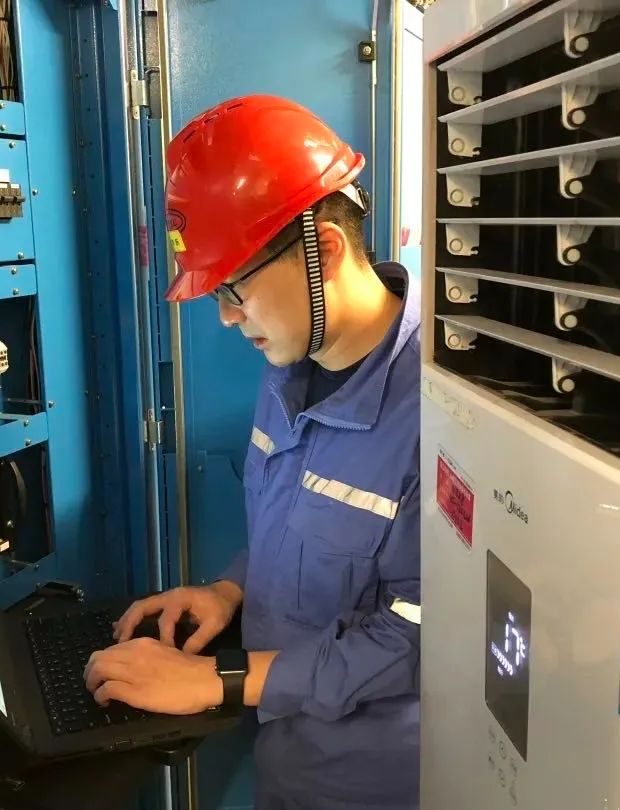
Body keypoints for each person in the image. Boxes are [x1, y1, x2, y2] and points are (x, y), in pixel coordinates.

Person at [83, 95, 421, 810]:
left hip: (373, 786)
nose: (227, 316)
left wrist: (218, 680)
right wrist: (228, 591)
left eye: (234, 287)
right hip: (287, 763)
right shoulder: (291, 362)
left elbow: (420, 638)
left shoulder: (442, 412)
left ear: (325, 251)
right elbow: (294, 525)